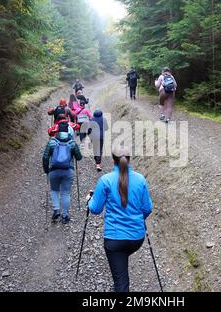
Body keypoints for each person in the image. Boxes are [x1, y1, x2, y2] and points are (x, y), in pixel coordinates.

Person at [86, 147, 153, 292]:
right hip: (137, 239)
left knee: (121, 285)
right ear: (130, 159)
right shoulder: (140, 179)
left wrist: (89, 200)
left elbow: (95, 209)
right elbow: (147, 209)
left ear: (113, 160)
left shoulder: (105, 181)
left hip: (115, 240)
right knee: (122, 261)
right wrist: (138, 221)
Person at [42, 125, 82, 224]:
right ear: (68, 132)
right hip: (68, 171)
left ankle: (56, 210)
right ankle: (65, 215)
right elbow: (79, 157)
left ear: (58, 131)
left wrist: (46, 170)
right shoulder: (72, 143)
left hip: (54, 171)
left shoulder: (51, 142)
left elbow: (45, 157)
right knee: (66, 192)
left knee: (55, 190)